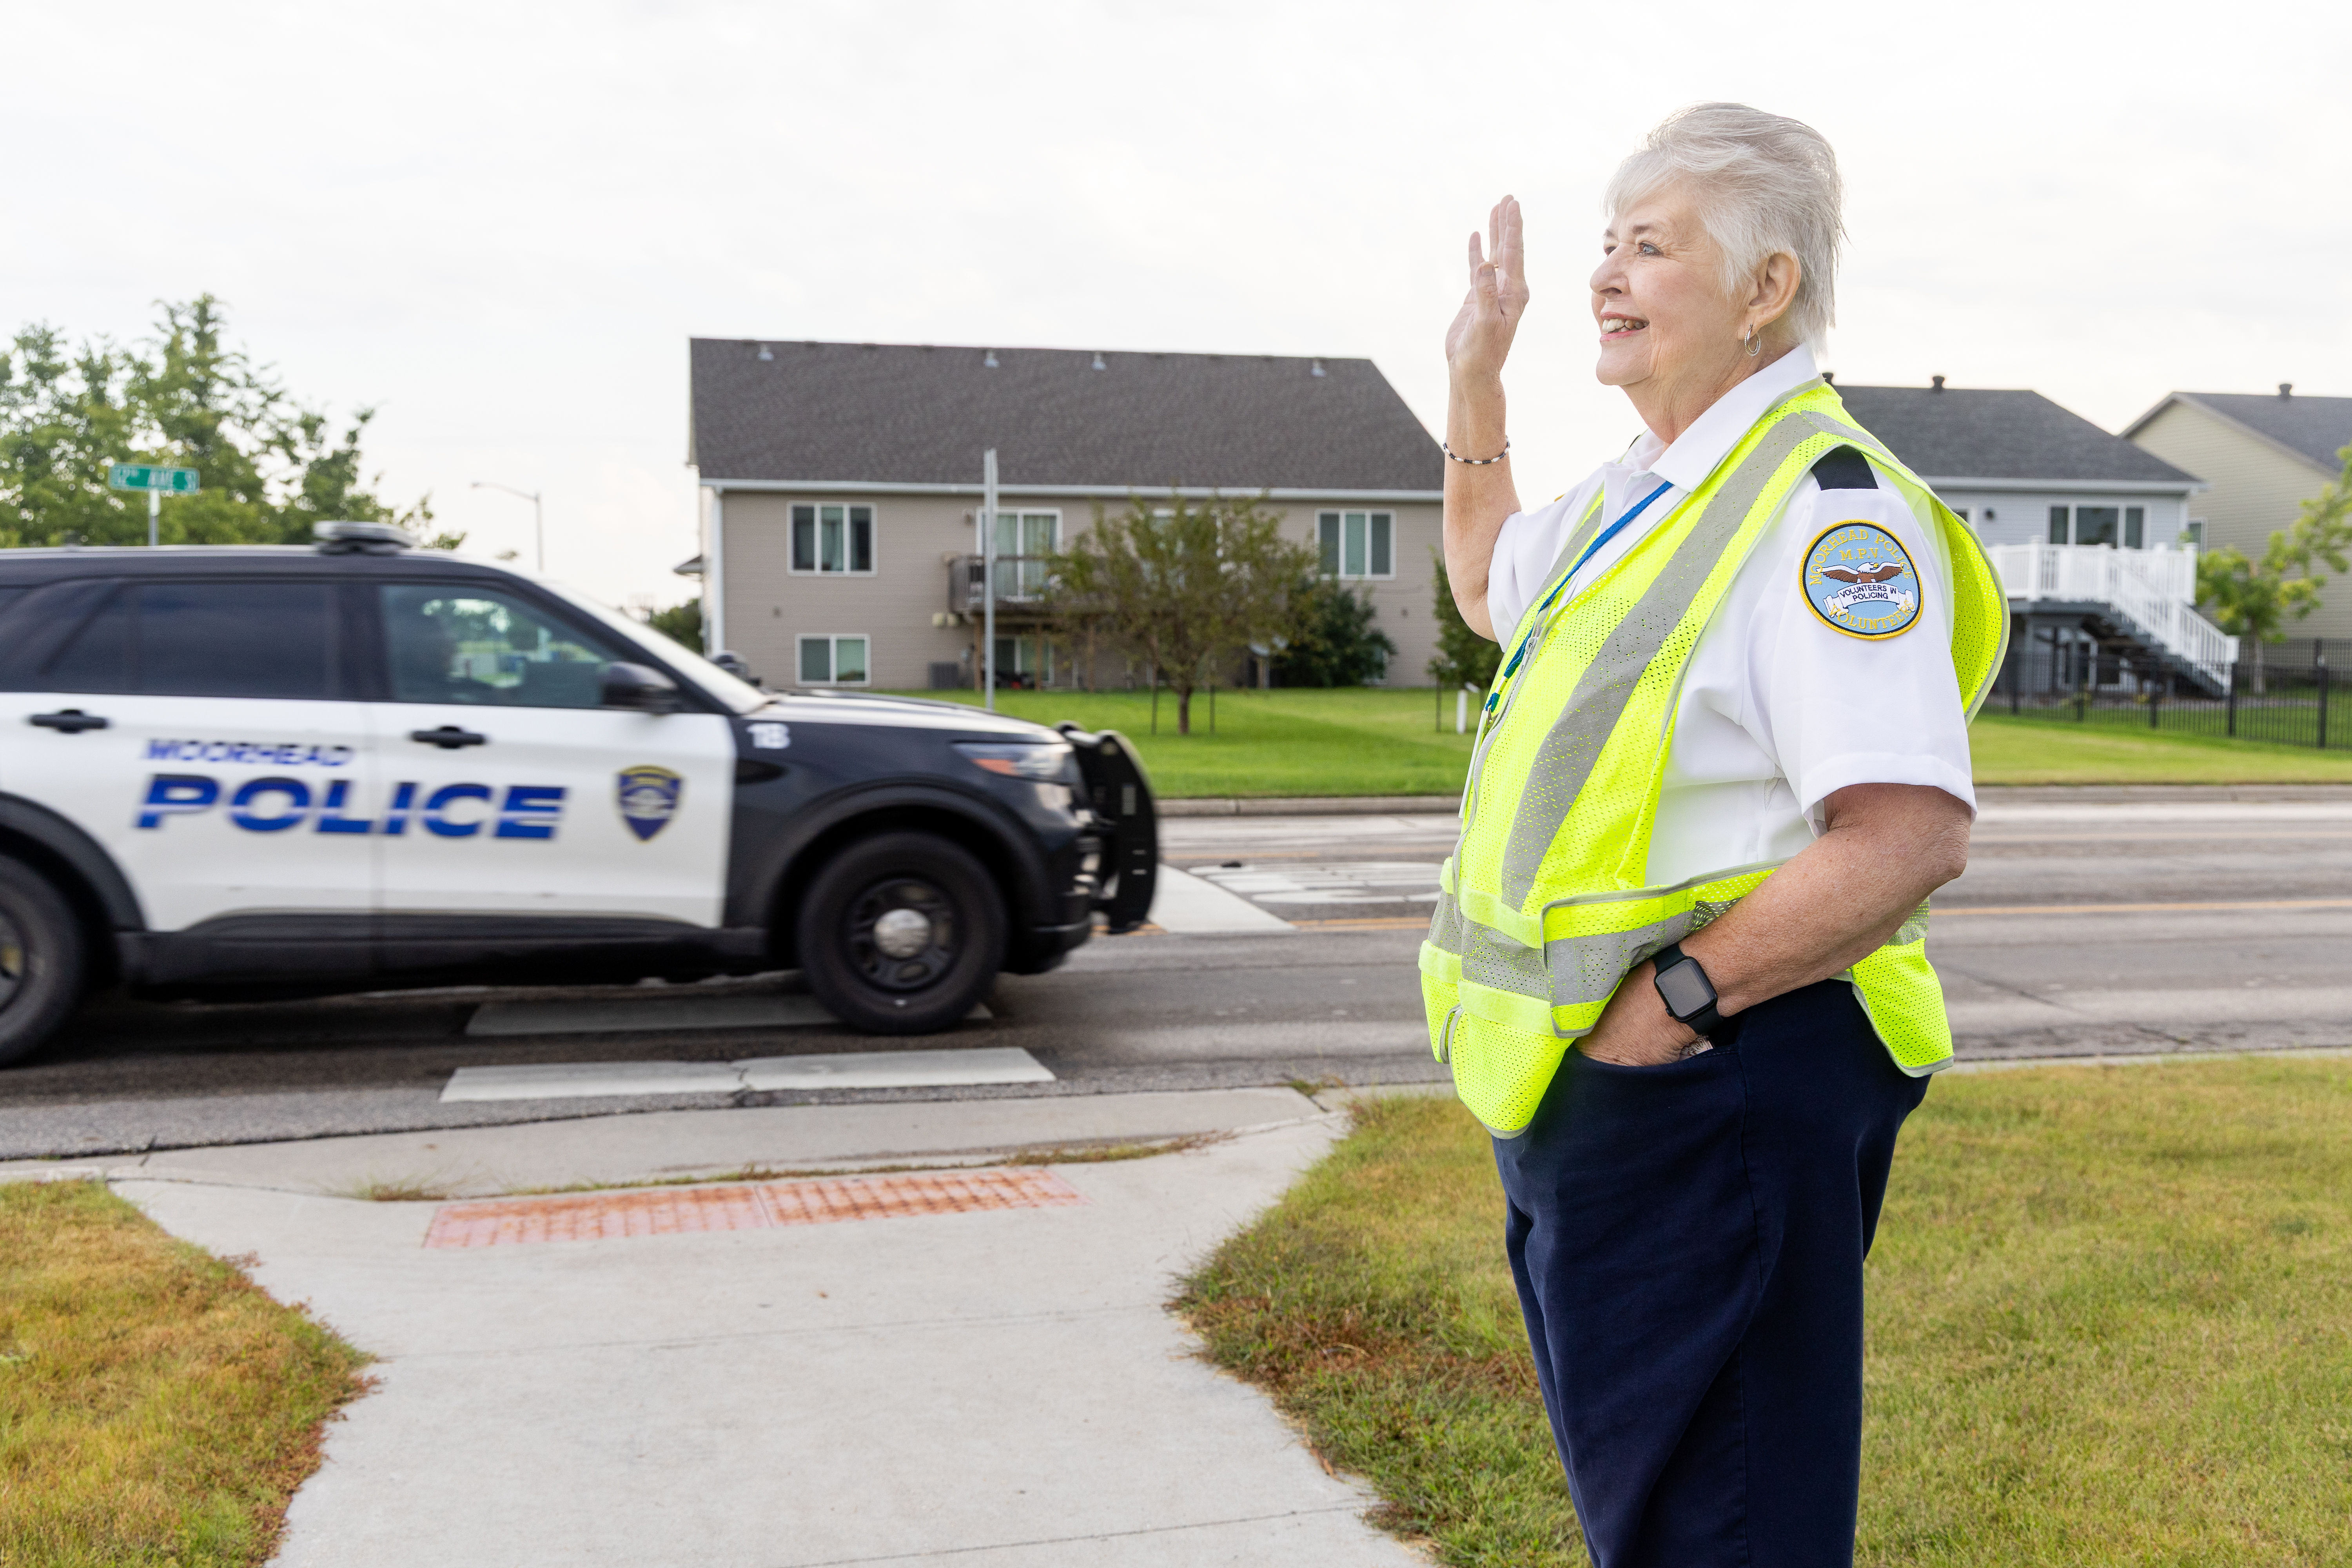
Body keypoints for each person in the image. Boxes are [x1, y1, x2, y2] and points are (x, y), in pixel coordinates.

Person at [1423, 103, 2007, 1566]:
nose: (1607, 277)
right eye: (1603, 244)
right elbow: (1491, 585)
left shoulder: (1821, 513)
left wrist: (1660, 1015)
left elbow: (1906, 834)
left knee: (1725, 1526)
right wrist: (1475, 380)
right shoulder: (1645, 492)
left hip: (1716, 1073)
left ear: (1768, 290)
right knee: (1657, 1516)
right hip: (1603, 1098)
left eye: (1652, 246)